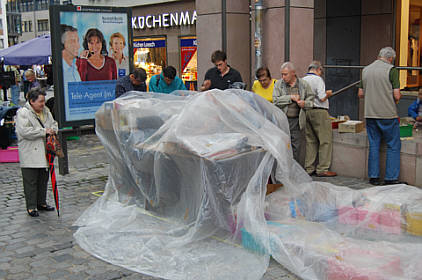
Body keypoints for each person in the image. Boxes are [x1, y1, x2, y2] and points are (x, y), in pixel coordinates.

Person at [358, 47, 404, 186]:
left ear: (379, 56)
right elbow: (396, 95)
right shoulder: (392, 70)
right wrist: (395, 99)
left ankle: (374, 177)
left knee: (374, 144)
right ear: (390, 58)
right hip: (387, 114)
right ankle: (391, 178)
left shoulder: (365, 70)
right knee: (393, 145)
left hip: (370, 114)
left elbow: (360, 94)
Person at [15, 88, 58, 217]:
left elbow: (54, 124)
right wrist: (43, 131)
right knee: (31, 181)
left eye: (43, 101)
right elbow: (24, 132)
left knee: (43, 179)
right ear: (32, 101)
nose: (43, 104)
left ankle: (41, 203)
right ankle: (31, 206)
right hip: (30, 152)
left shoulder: (46, 111)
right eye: (40, 101)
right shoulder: (23, 113)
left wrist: (53, 130)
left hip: (45, 151)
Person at [273, 62, 314, 165]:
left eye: (285, 74)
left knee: (296, 146)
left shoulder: (303, 85)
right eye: (282, 74)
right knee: (283, 145)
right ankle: (283, 169)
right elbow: (275, 100)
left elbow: (311, 101)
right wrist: (290, 97)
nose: (283, 77)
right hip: (283, 120)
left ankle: (294, 170)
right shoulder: (279, 84)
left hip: (297, 120)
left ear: (293, 73)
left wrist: (304, 103)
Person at [302, 61, 336, 177]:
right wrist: (328, 94)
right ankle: (322, 168)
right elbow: (322, 98)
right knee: (325, 140)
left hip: (307, 111)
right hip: (319, 111)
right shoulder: (318, 80)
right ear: (318, 70)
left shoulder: (303, 80)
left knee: (311, 141)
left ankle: (309, 168)